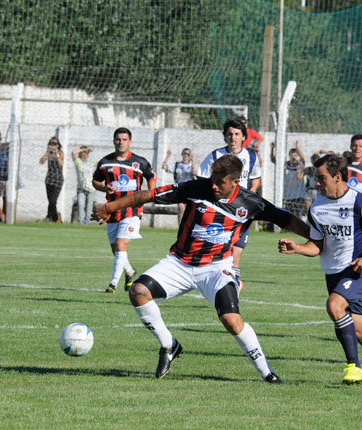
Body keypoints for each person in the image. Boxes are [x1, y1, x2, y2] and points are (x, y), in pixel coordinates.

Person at [95, 155, 309, 382]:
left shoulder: (251, 203)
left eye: (220, 182)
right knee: (138, 292)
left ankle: (267, 373)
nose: (214, 185)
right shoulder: (197, 188)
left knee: (231, 321)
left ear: (235, 182)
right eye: (213, 179)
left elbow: (287, 219)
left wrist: (315, 239)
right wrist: (109, 207)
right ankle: (169, 345)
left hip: (217, 268)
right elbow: (150, 194)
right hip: (179, 262)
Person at [278, 154, 362, 387]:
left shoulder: (361, 203)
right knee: (360, 331)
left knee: (334, 305)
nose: (316, 183)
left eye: (321, 178)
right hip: (334, 274)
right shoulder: (317, 207)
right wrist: (298, 248)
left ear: (338, 177)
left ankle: (354, 367)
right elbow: (318, 245)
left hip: (359, 270)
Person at [92, 127, 156, 293]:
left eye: (124, 139)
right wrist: (105, 188)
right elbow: (95, 181)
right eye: (118, 139)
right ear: (114, 141)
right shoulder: (105, 162)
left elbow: (151, 175)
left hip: (132, 210)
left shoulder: (139, 162)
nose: (121, 142)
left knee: (121, 244)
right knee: (116, 249)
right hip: (111, 210)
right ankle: (130, 271)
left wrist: (150, 195)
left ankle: (112, 284)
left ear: (130, 142)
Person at [199, 118, 261, 284]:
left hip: (241, 211)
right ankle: (217, 283)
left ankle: (232, 286)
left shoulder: (251, 157)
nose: (233, 138)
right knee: (218, 251)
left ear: (243, 137)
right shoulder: (215, 156)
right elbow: (202, 179)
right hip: (219, 211)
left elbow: (255, 181)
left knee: (236, 252)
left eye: (236, 134)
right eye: (230, 134)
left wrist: (250, 198)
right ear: (225, 137)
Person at [161, 148, 197, 222]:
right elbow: (164, 167)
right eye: (184, 153)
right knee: (181, 208)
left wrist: (192, 160)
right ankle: (180, 228)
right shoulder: (177, 165)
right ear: (182, 154)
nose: (186, 155)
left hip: (190, 189)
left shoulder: (191, 165)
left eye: (188, 154)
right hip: (180, 189)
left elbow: (195, 172)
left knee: (189, 210)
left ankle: (187, 228)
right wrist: (168, 156)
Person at [40, 137, 64, 223]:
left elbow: (61, 164)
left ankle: (53, 217)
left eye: (55, 144)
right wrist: (47, 153)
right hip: (49, 179)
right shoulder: (48, 153)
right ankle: (51, 218)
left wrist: (56, 153)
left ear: (58, 145)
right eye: (51, 143)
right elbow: (41, 161)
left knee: (53, 200)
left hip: (58, 179)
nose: (53, 145)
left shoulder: (60, 153)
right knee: (50, 200)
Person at [71, 145, 95, 225]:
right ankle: (81, 223)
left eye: (86, 152)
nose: (84, 153)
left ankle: (87, 223)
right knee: (81, 206)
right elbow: (73, 152)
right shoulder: (78, 161)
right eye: (82, 152)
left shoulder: (91, 161)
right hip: (81, 188)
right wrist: (84, 149)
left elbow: (100, 167)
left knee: (89, 207)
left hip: (91, 188)